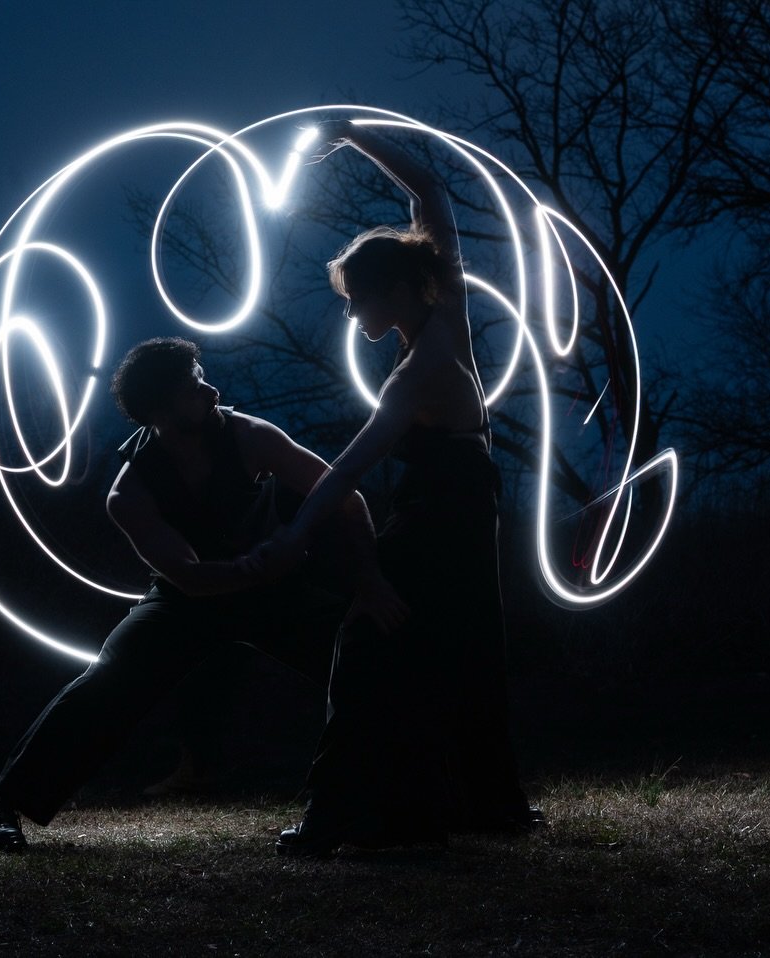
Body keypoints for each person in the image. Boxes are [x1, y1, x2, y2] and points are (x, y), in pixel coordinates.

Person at [0, 336, 404, 851]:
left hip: (274, 588)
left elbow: (345, 496)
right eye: (193, 387)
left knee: (363, 655)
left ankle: (370, 805)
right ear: (158, 410)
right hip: (190, 599)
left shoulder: (250, 437)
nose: (211, 391)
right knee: (112, 679)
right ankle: (6, 801)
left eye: (202, 379)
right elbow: (190, 576)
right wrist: (257, 566)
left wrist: (369, 582)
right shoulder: (129, 492)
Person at [250, 119, 532, 856]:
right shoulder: (448, 318)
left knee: (371, 639)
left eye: (360, 298)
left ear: (399, 289)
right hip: (462, 503)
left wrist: (294, 533)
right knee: (449, 649)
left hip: (445, 511)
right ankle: (450, 808)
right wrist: (349, 134)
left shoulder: (420, 369)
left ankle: (347, 815)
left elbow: (349, 466)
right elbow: (431, 190)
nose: (351, 314)